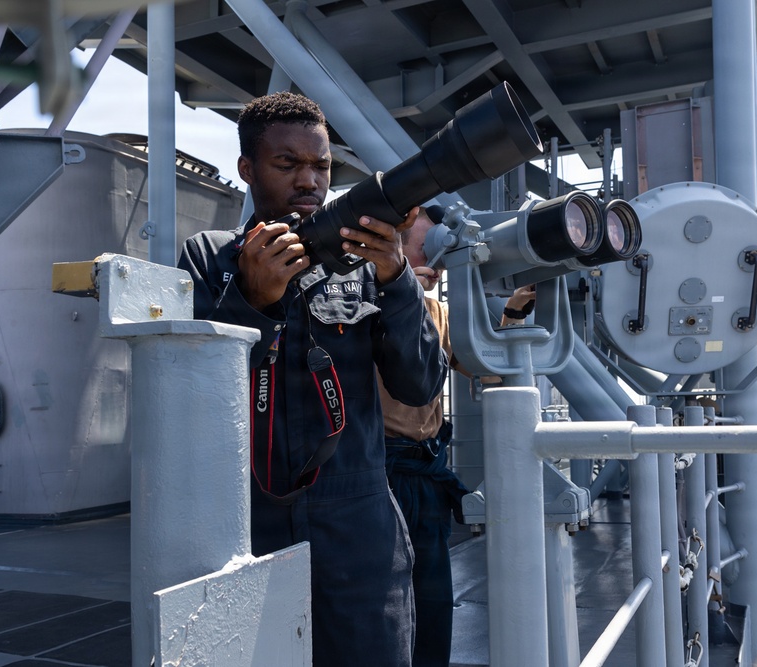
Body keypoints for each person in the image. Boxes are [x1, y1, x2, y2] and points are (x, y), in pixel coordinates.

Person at [177, 91, 448, 666]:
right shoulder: (209, 256)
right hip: (247, 517)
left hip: (358, 516)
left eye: (321, 166)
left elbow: (420, 386)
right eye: (287, 165)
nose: (309, 181)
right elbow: (190, 396)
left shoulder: (365, 266)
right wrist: (252, 300)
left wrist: (397, 278)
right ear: (247, 170)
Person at [379, 205, 535, 667]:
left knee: (431, 601)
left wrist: (513, 313)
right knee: (383, 602)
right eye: (421, 245)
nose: (433, 257)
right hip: (379, 471)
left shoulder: (438, 312)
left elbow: (481, 367)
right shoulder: (362, 303)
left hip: (425, 472)